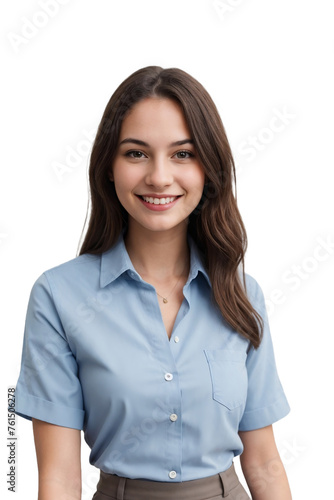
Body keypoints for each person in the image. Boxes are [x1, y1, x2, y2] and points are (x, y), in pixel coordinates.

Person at [14, 66, 292, 500]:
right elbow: (59, 480)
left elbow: (265, 463)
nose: (159, 177)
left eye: (182, 154)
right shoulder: (58, 297)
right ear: (109, 166)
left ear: (208, 168)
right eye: (136, 153)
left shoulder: (241, 293)